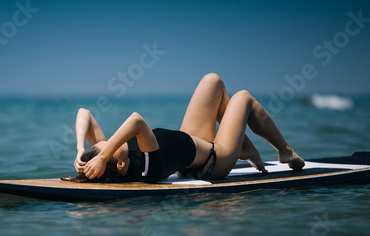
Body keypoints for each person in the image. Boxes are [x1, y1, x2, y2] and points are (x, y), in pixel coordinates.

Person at [70, 73, 305, 183]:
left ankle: (244, 147)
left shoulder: (113, 156)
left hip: (192, 141)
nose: (111, 141)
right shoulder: (144, 169)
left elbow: (85, 114)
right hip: (213, 160)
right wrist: (104, 156)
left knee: (213, 81)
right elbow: (136, 120)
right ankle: (284, 151)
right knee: (243, 98)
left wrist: (82, 149)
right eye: (109, 148)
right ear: (120, 165)